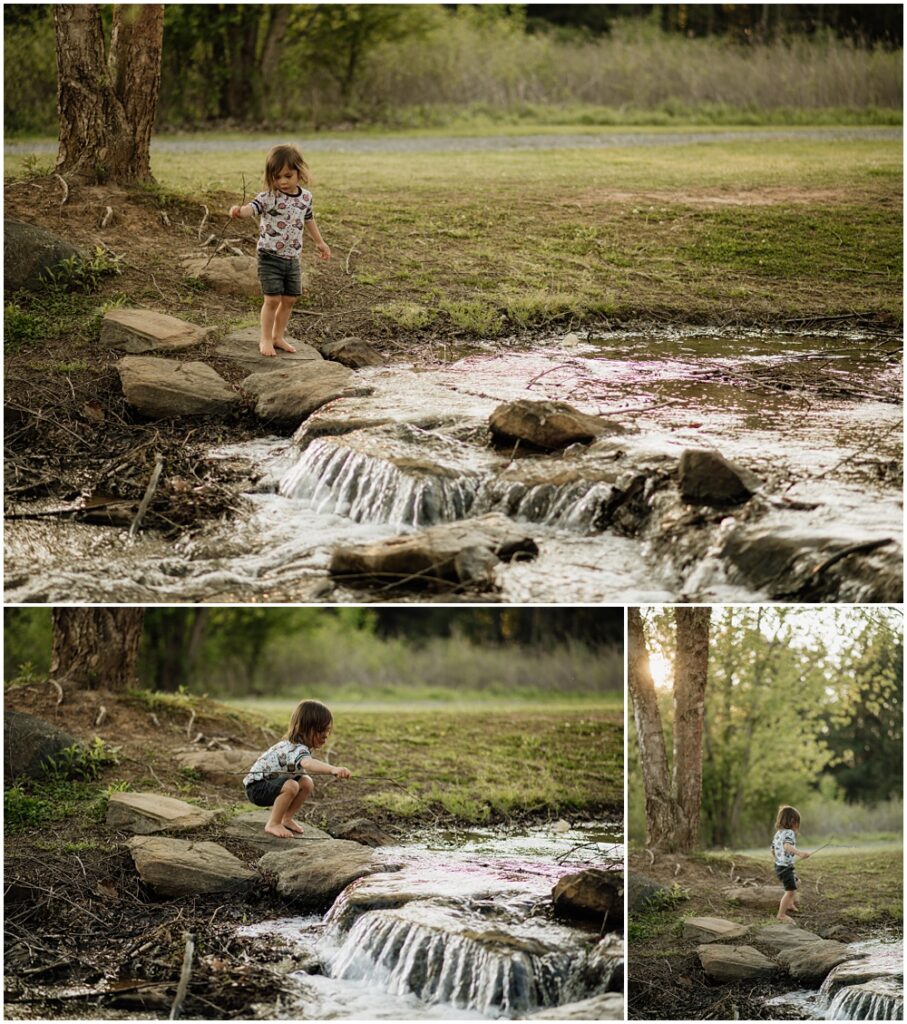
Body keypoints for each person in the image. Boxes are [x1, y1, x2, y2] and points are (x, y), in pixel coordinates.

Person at [229, 143, 331, 358]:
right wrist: (240, 211)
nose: (283, 181)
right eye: (277, 177)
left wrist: (320, 242)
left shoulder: (306, 197)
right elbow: (252, 208)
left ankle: (278, 336)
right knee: (272, 299)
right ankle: (265, 338)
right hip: (269, 256)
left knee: (289, 299)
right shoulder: (269, 197)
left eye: (287, 175)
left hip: (292, 257)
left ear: (299, 172)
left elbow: (309, 219)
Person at [243, 698, 350, 839]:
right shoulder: (295, 749)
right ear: (302, 729)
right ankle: (273, 824)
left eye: (327, 730)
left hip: (273, 783)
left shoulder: (303, 747)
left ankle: (286, 818)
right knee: (291, 785)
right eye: (320, 730)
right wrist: (332, 769)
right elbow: (308, 764)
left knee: (306, 782)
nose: (325, 735)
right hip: (257, 788)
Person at [772, 804, 811, 922]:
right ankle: (781, 914)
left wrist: (778, 858)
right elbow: (787, 846)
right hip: (785, 867)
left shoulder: (778, 833)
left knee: (797, 882)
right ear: (793, 821)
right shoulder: (789, 833)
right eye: (797, 821)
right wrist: (800, 854)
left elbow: (772, 849)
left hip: (780, 865)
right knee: (790, 891)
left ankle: (789, 904)